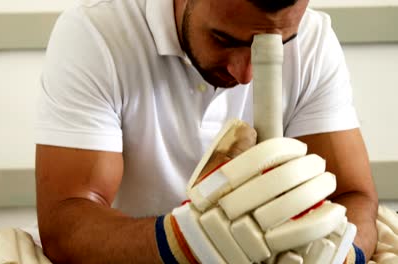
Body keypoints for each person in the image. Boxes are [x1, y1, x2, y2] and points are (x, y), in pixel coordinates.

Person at [34, 0, 378, 262]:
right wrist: (183, 242)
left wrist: (339, 254)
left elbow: (353, 196)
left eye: (278, 44)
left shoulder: (314, 40)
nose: (245, 75)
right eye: (223, 38)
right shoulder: (97, 33)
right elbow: (65, 221)